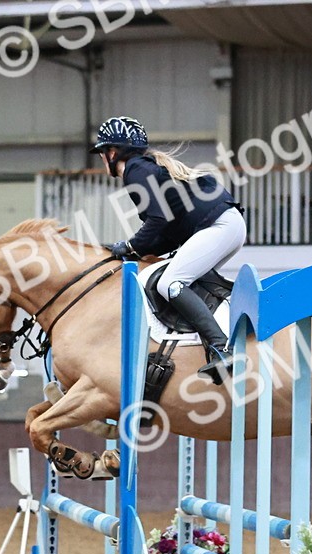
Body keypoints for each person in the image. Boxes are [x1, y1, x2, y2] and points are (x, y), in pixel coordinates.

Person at [92, 116, 246, 384]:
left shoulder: (135, 169)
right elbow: (162, 235)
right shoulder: (146, 167)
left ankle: (221, 348)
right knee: (180, 277)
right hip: (224, 225)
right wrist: (137, 251)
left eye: (102, 154)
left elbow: (157, 220)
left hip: (219, 225)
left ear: (112, 152)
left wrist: (129, 245)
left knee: (171, 283)